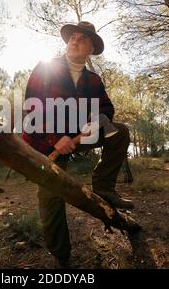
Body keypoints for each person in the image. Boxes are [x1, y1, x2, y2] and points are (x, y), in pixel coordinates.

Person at [22, 21, 134, 268]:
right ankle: (61, 256)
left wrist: (86, 131)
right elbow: (31, 109)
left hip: (77, 136)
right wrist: (55, 138)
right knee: (50, 193)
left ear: (91, 49)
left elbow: (106, 110)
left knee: (120, 132)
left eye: (82, 39)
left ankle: (104, 187)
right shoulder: (45, 68)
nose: (74, 40)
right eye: (73, 36)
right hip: (45, 141)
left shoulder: (93, 79)